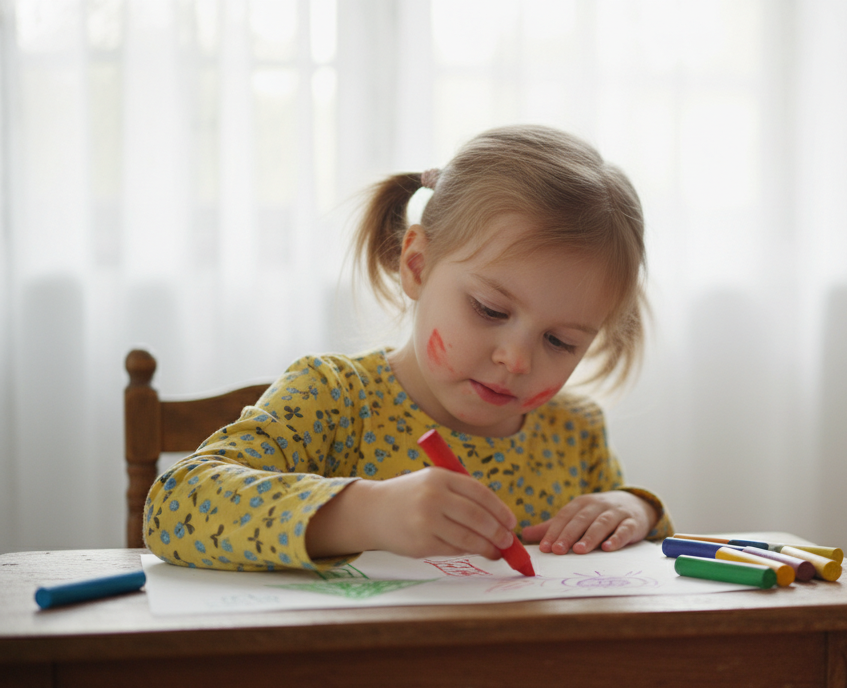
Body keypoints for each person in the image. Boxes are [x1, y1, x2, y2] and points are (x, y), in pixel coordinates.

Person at [145, 125, 673, 574]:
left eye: (561, 341)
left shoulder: (574, 433)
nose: (517, 359)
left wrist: (633, 510)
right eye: (490, 310)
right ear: (417, 265)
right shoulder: (337, 399)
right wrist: (364, 514)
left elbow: (633, 564)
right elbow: (173, 508)